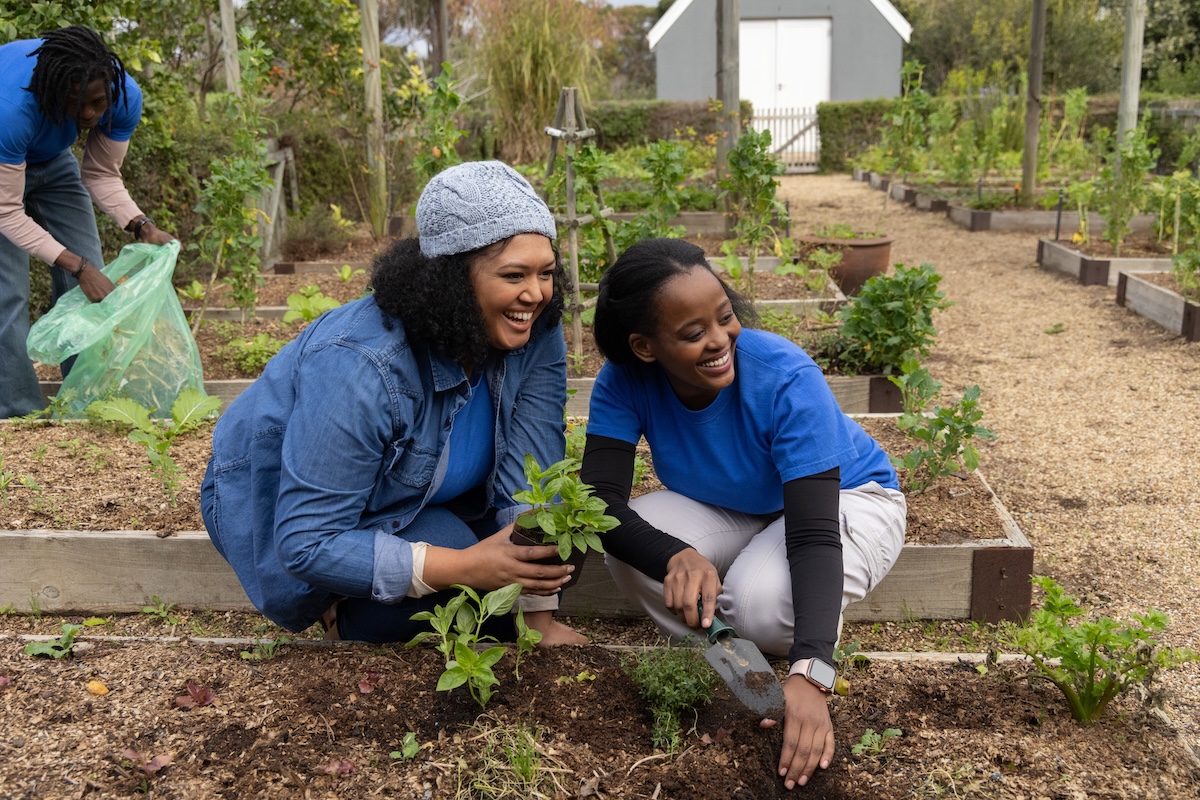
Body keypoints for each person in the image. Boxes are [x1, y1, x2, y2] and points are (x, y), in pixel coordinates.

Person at [201, 160, 587, 647]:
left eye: (546, 272)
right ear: (451, 281)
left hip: (417, 497)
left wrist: (537, 622)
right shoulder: (362, 365)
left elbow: (534, 473)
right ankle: (339, 613)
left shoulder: (534, 331)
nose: (535, 294)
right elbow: (307, 542)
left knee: (545, 557)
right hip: (293, 504)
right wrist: (469, 565)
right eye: (513, 275)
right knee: (460, 589)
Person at [579, 238, 907, 789]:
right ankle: (735, 666)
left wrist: (813, 673)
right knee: (636, 557)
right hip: (740, 506)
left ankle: (778, 640)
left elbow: (815, 536)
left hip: (849, 497)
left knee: (760, 607)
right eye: (692, 333)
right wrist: (673, 554)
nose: (719, 341)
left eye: (725, 317)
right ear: (644, 347)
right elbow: (600, 501)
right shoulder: (625, 380)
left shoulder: (782, 375)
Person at [0, 25, 175, 418]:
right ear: (54, 92)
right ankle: (16, 413)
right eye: (77, 104)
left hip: (49, 158)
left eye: (98, 102)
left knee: (92, 273)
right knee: (7, 293)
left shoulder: (124, 96)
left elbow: (101, 174)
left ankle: (83, 401)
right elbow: (7, 212)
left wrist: (140, 224)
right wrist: (75, 266)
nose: (90, 115)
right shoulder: (11, 108)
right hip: (2, 156)